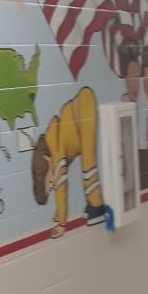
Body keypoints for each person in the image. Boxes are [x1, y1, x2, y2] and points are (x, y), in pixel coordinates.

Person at [31, 87, 105, 238]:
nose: (53, 183)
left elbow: (62, 187)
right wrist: (59, 213)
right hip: (82, 107)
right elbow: (59, 184)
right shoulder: (53, 144)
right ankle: (92, 203)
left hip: (84, 109)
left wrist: (62, 224)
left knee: (88, 165)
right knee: (87, 162)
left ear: (46, 161)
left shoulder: (54, 152)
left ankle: (97, 205)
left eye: (49, 182)